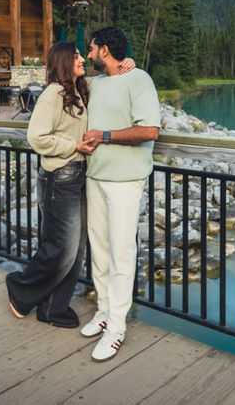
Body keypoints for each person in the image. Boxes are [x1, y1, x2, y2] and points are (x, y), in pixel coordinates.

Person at [79, 25, 161, 362]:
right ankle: (103, 310)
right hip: (95, 176)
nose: (87, 55)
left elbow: (149, 130)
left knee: (122, 253)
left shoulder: (139, 79)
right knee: (98, 249)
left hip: (125, 181)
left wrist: (105, 136)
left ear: (105, 51)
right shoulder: (95, 83)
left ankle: (117, 326)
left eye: (92, 48)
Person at [5, 41, 95, 328]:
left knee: (76, 248)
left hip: (77, 175)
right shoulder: (53, 94)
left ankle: (53, 308)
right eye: (77, 55)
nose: (82, 58)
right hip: (59, 177)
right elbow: (37, 137)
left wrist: (127, 66)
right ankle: (20, 290)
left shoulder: (79, 90)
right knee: (61, 248)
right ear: (65, 61)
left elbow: (108, 77)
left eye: (83, 54)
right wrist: (75, 145)